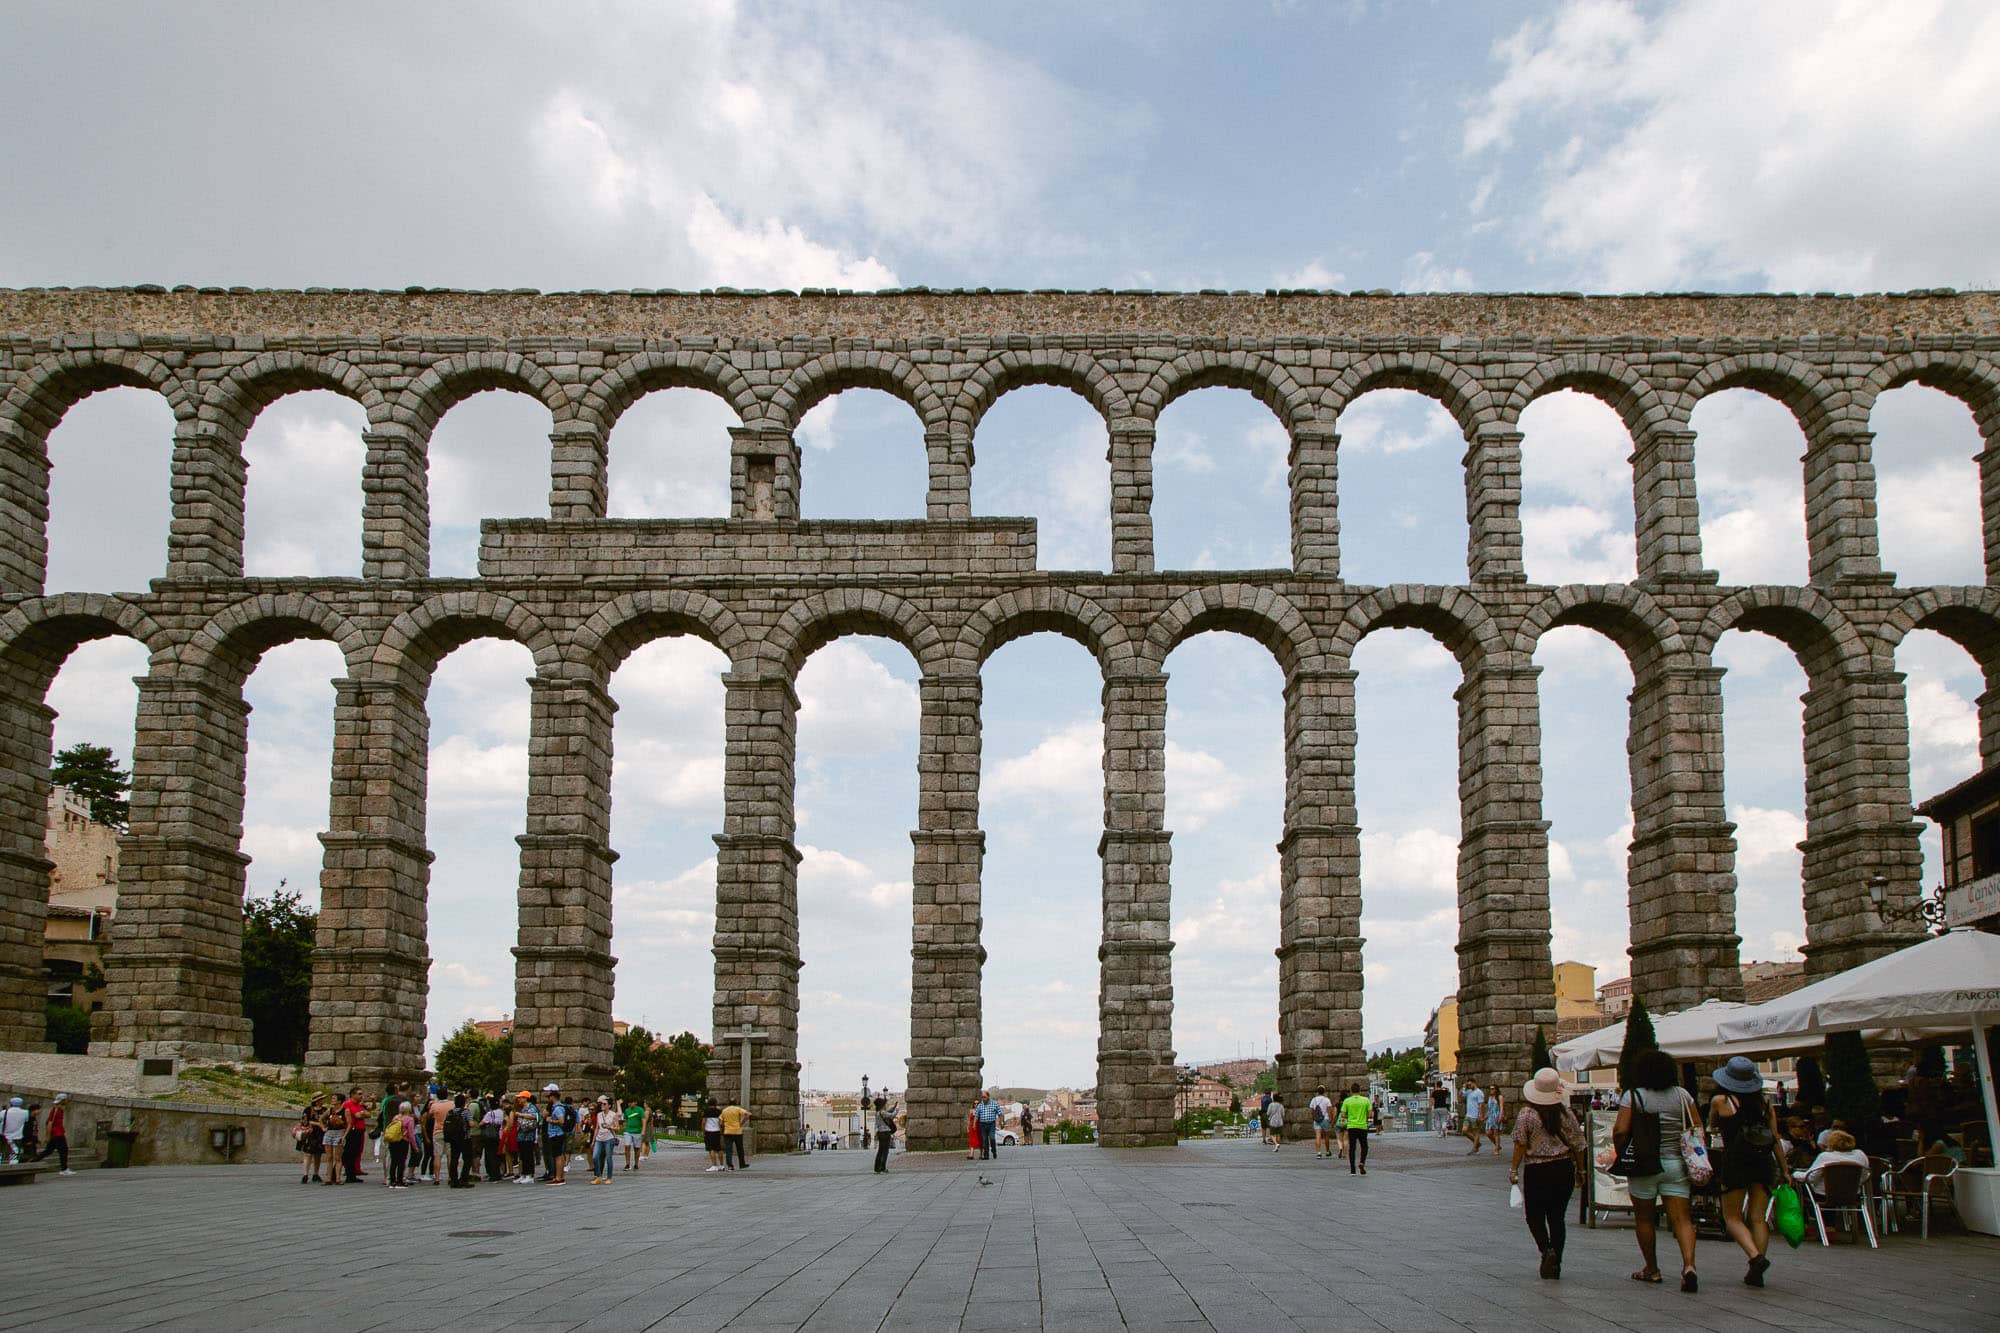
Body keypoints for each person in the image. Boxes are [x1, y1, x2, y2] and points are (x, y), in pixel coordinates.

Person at [1615, 1049, 1700, 1292]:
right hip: (1676, 1163)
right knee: (1682, 1218)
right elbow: (1696, 1128)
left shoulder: (1633, 1097)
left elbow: (1621, 1130)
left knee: (1644, 1218)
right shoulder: (1683, 1096)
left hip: (1644, 1164)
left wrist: (1623, 1152)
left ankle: (1652, 1269)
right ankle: (1689, 1266)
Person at [1710, 1055, 1786, 1288]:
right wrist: (1785, 1169)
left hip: (1736, 1161)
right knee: (1758, 1217)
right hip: (1764, 1162)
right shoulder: (1765, 1105)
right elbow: (1774, 1139)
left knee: (1731, 1216)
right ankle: (1756, 1271)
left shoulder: (1721, 1101)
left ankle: (1755, 1257)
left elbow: (1710, 1126)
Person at [1509, 1068, 1587, 1280]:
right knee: (1557, 1217)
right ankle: (1556, 1262)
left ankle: (1546, 1250)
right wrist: (1581, 1170)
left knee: (1534, 1215)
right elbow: (1579, 1145)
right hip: (1563, 1169)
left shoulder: (1526, 1114)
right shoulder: (1566, 1114)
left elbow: (1520, 1144)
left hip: (1537, 1170)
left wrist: (1514, 1169)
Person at [36, 1092, 74, 1176]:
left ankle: (33, 1161)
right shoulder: (56, 1110)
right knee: (63, 1150)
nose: (67, 1101)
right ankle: (64, 1169)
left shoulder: (59, 1109)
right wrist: (47, 1136)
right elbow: (49, 1123)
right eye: (66, 1099)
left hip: (57, 1133)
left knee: (48, 1151)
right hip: (57, 1134)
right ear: (63, 1100)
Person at [1339, 1084, 1372, 1174]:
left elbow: (1343, 1114)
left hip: (1351, 1126)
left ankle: (1352, 1170)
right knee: (1364, 1146)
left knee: (1352, 1148)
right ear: (1359, 1090)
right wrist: (1363, 1117)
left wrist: (1350, 1116)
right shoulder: (1365, 1100)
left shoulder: (1347, 1101)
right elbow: (1370, 1114)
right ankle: (1362, 1162)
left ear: (1351, 1091)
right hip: (1362, 1126)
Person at [444, 1092, 474, 1188]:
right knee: (467, 1159)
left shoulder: (450, 1112)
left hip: (453, 1138)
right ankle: (464, 1179)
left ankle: (454, 1180)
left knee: (454, 1159)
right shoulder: (466, 1111)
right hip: (465, 1138)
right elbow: (471, 1124)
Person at [542, 1086, 570, 1184]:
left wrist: (551, 1120)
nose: (549, 1099)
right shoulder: (557, 1107)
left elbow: (561, 1121)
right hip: (557, 1134)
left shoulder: (557, 1108)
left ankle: (558, 1177)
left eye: (549, 1096)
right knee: (559, 1156)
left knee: (558, 1156)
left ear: (553, 1097)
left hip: (557, 1134)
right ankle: (559, 1176)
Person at [340, 1088, 368, 1183]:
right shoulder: (348, 1104)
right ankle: (345, 1173)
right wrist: (362, 1114)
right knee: (348, 1153)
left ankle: (351, 1175)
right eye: (359, 1094)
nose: (361, 1096)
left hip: (359, 1131)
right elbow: (357, 1116)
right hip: (352, 1131)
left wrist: (362, 1113)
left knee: (355, 1153)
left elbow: (368, 1114)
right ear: (353, 1094)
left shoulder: (359, 1105)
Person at [384, 1099, 415, 1188]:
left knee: (394, 1161)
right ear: (409, 1109)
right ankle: (400, 1180)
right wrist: (414, 1146)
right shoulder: (409, 1119)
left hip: (393, 1141)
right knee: (401, 1161)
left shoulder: (396, 1117)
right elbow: (411, 1134)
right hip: (403, 1141)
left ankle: (392, 1180)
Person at [297, 1097, 326, 1184]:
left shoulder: (325, 1110)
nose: (323, 1101)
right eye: (321, 1099)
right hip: (310, 1134)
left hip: (320, 1134)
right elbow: (305, 1121)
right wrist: (318, 1124)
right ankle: (305, 1174)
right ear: (317, 1101)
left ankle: (315, 1174)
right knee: (308, 1154)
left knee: (318, 1154)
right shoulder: (308, 1109)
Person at [513, 1092, 540, 1182]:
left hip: (528, 1135)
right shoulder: (522, 1108)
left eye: (520, 1098)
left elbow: (533, 1116)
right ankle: (524, 1174)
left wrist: (520, 1115)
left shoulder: (531, 1107)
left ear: (526, 1098)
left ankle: (530, 1175)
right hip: (521, 1134)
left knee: (528, 1155)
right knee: (523, 1155)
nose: (519, 1099)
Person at [590, 1095, 618, 1184]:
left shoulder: (613, 1115)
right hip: (599, 1138)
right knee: (595, 1157)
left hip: (609, 1138)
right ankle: (598, 1176)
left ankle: (609, 1177)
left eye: (605, 1104)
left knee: (608, 1158)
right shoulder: (599, 1114)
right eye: (602, 1104)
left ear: (609, 1106)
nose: (602, 1105)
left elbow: (617, 1128)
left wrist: (610, 1127)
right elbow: (597, 1128)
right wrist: (593, 1140)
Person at [320, 1100, 347, 1183]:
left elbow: (349, 1123)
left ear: (339, 1101)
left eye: (334, 1098)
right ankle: (328, 1178)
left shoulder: (345, 1111)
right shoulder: (330, 1110)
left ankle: (338, 1178)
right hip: (329, 1133)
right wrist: (323, 1128)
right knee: (329, 1157)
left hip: (339, 1133)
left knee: (337, 1157)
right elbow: (321, 1119)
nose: (332, 1100)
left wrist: (344, 1135)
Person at [720, 1097, 750, 1170]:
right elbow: (748, 1114)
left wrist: (724, 1126)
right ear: (736, 1103)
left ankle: (730, 1165)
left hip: (728, 1132)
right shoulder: (737, 1109)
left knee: (728, 1149)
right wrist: (741, 1123)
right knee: (740, 1148)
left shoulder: (724, 1111)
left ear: (729, 1103)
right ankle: (742, 1164)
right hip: (737, 1131)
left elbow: (721, 1122)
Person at [481, 1096, 506, 1183]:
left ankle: (493, 1174)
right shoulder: (502, 1112)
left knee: (490, 1156)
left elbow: (482, 1123)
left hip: (490, 1136)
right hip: (499, 1135)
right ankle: (500, 1172)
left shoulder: (489, 1113)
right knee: (498, 1155)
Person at [872, 1095, 898, 1173]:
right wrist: (896, 1110)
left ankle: (877, 1168)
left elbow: (888, 1112)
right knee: (885, 1151)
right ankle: (883, 1167)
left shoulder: (877, 1113)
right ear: (881, 1105)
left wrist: (893, 1107)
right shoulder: (882, 1112)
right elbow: (892, 1115)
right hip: (886, 1133)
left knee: (880, 1151)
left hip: (880, 1133)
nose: (885, 1105)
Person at [1309, 1085, 1335, 1159]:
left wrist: (1313, 1118)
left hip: (1317, 1120)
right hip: (1325, 1119)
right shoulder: (1327, 1100)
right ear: (1324, 1092)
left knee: (1318, 1135)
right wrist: (1331, 1119)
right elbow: (1329, 1110)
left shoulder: (1314, 1100)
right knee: (1326, 1136)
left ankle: (1318, 1152)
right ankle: (1327, 1151)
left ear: (1317, 1092)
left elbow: (1312, 1110)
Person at [1462, 1081, 1487, 1155]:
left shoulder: (1479, 1092)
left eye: (1470, 1084)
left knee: (1476, 1132)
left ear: (1474, 1083)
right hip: (1468, 1115)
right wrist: (1464, 1087)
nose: (1469, 1085)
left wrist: (1480, 1115)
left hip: (1475, 1115)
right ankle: (1477, 1143)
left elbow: (1481, 1104)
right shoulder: (1469, 1091)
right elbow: (1461, 1096)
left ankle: (1474, 1148)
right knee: (1464, 1130)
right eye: (1468, 1084)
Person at [975, 1090, 1001, 1160]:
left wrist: (1001, 1122)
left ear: (988, 1097)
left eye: (984, 1097)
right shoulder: (980, 1105)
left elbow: (1000, 1114)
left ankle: (994, 1150)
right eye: (982, 1097)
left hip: (991, 1124)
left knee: (992, 1138)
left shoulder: (994, 1104)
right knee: (984, 1139)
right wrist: (974, 1124)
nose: (983, 1099)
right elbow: (976, 1115)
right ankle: (986, 1155)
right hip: (982, 1125)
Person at [702, 1098, 726, 1172]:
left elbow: (703, 1122)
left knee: (711, 1149)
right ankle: (722, 1165)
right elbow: (721, 1122)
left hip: (709, 1131)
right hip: (717, 1131)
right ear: (715, 1103)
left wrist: (703, 1131)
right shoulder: (719, 1111)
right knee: (719, 1148)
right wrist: (721, 1130)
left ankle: (714, 1165)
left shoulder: (706, 1111)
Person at [622, 1099, 646, 1172]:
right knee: (627, 1146)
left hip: (637, 1131)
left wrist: (643, 1130)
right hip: (628, 1131)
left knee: (637, 1148)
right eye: (629, 1102)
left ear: (635, 1102)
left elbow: (643, 1120)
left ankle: (636, 1164)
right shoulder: (627, 1110)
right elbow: (625, 1119)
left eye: (632, 1102)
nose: (630, 1104)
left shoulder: (640, 1110)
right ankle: (627, 1164)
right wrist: (625, 1127)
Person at [1483, 1082, 1505, 1155]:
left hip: (1496, 1115)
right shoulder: (1490, 1097)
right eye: (1490, 1089)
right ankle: (1497, 1145)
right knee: (1488, 1133)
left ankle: (1497, 1149)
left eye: (1492, 1089)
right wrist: (1485, 1116)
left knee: (1496, 1133)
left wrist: (1500, 1117)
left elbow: (1501, 1108)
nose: (1491, 1090)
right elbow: (1489, 1109)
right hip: (1490, 1117)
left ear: (1496, 1089)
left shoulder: (1499, 1097)